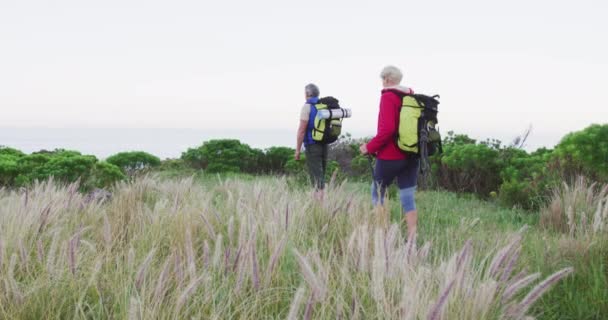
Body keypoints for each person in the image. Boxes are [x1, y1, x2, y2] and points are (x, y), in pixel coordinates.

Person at [359, 66, 419, 238]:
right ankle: (412, 239)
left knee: (377, 191)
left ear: (386, 79)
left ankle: (383, 235)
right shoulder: (410, 97)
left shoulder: (388, 97)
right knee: (407, 196)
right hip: (412, 154)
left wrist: (368, 148)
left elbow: (387, 130)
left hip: (391, 156)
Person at [295, 83, 327, 200]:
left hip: (312, 146)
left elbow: (301, 130)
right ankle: (319, 204)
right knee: (321, 176)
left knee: (317, 178)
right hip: (324, 145)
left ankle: (319, 208)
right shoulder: (324, 106)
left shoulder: (307, 107)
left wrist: (297, 150)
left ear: (307, 94)